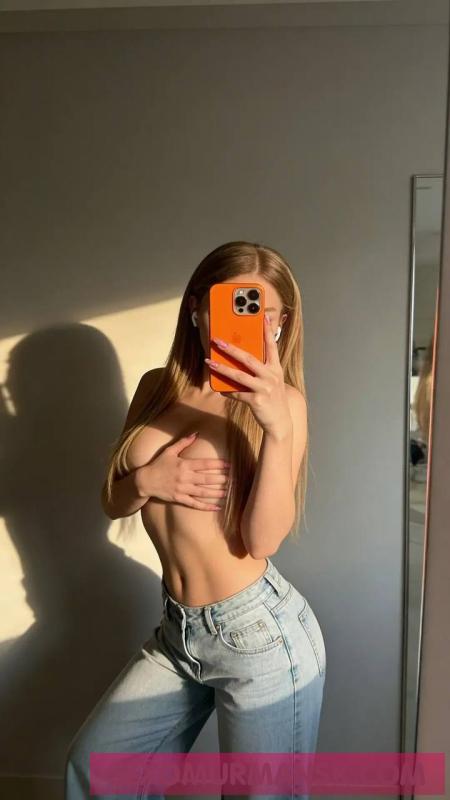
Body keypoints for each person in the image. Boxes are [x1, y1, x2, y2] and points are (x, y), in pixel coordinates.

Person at [64, 240, 326, 800]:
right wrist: (147, 481)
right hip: (178, 632)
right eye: (235, 305)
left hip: (257, 633)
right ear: (197, 310)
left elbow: (262, 540)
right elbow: (113, 501)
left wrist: (276, 428)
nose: (255, 323)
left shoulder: (284, 406)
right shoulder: (155, 387)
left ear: (281, 322)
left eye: (268, 312)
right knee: (96, 768)